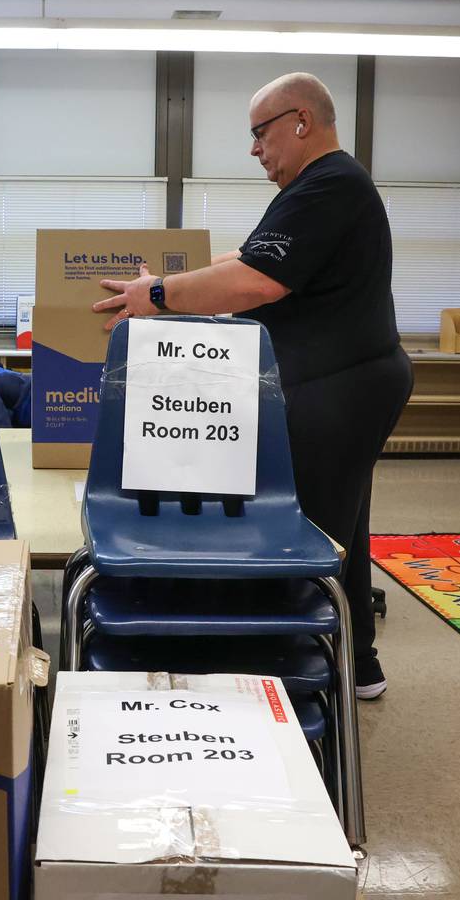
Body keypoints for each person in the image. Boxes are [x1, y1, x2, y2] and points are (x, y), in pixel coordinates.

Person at [93, 72, 413, 699]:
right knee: (343, 522)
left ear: (300, 121)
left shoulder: (331, 184)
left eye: (259, 133)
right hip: (347, 377)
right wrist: (172, 283)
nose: (254, 149)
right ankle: (359, 665)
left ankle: (291, 673)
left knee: (307, 535)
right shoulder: (320, 187)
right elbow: (245, 262)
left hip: (338, 386)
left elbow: (258, 282)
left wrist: (156, 296)